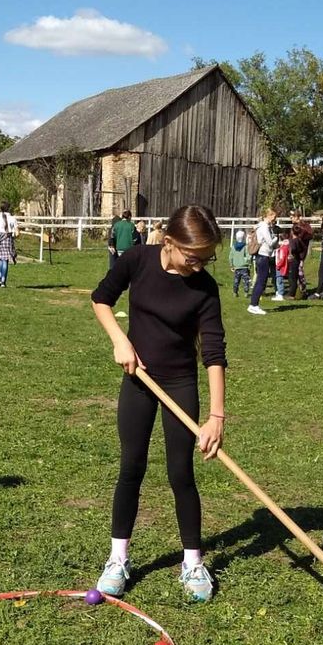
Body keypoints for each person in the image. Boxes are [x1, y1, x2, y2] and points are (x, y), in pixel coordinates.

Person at [90, 204, 225, 602]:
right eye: (193, 257)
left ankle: (193, 561)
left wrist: (216, 416)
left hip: (181, 383)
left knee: (181, 473)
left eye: (206, 259)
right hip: (138, 380)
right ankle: (118, 558)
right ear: (169, 242)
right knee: (131, 466)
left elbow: (214, 352)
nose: (199, 266)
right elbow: (101, 299)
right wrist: (120, 339)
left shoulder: (204, 287)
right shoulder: (137, 261)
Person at [247, 209, 278, 315]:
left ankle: (254, 304)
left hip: (263, 255)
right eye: (273, 217)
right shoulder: (264, 227)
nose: (274, 219)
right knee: (261, 281)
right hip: (263, 255)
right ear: (268, 216)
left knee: (262, 280)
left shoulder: (262, 226)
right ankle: (253, 305)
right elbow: (269, 242)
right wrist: (276, 239)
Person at [0, 201, 18, 287]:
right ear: (9, 208)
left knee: (0, 259)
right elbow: (16, 232)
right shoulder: (12, 218)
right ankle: (3, 281)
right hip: (8, 239)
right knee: (5, 260)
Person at [229, 230, 251, 297]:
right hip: (244, 267)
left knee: (236, 281)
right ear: (244, 237)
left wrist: (231, 265)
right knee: (246, 281)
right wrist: (249, 263)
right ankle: (246, 293)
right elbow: (248, 256)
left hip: (236, 267)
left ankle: (235, 292)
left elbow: (230, 257)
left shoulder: (233, 247)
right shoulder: (245, 247)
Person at [273, 229, 290, 301]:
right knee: (279, 279)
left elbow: (282, 258)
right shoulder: (285, 247)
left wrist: (278, 265)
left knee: (279, 280)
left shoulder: (283, 248)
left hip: (280, 267)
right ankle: (279, 293)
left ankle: (280, 294)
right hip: (282, 266)